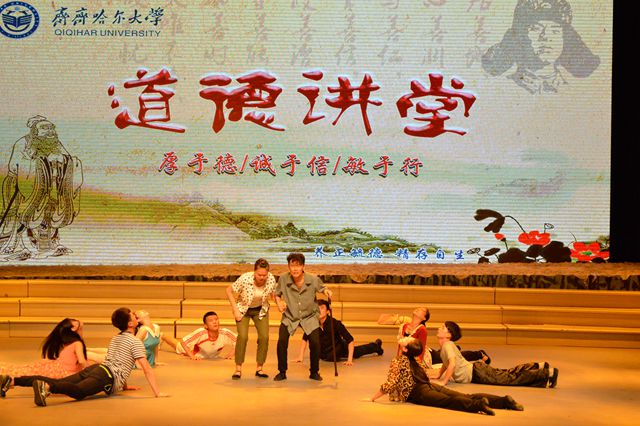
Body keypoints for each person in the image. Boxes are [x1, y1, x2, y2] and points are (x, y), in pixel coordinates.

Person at [0, 307, 168, 406]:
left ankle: (12, 381)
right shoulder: (136, 342)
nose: (136, 316)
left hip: (98, 369)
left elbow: (118, 362)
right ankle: (47, 388)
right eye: (133, 315)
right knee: (79, 392)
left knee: (61, 382)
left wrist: (124, 385)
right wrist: (158, 393)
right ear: (130, 324)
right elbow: (146, 369)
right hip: (105, 376)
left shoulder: (116, 338)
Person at [370, 337, 524, 415]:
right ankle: (503, 401)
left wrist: (373, 398)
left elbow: (390, 383)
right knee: (465, 395)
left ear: (404, 349)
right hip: (427, 385)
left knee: (447, 401)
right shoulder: (415, 359)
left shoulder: (398, 361)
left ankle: (478, 405)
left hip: (418, 391)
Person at [0, 115, 83, 260]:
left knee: (51, 212)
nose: (50, 131)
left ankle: (50, 244)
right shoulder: (23, 143)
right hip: (24, 185)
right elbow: (16, 166)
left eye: (51, 128)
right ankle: (18, 245)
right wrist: (38, 163)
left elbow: (67, 159)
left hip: (51, 186)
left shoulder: (56, 144)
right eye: (44, 128)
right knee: (22, 213)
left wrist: (64, 162)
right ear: (35, 131)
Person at [481, 0, 600, 94]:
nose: (546, 37)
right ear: (521, 37)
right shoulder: (503, 88)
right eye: (536, 29)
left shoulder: (576, 91)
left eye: (555, 31)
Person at [430, 321, 558, 388]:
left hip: (477, 372)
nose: (439, 328)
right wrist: (439, 375)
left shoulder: (447, 345)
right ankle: (539, 366)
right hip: (477, 370)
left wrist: (443, 382)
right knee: (508, 374)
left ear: (449, 334)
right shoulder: (446, 346)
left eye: (443, 327)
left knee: (510, 379)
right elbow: (447, 363)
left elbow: (452, 364)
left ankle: (548, 373)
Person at [274, 252, 332, 381]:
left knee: (315, 343)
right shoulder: (283, 279)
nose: (295, 269)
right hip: (290, 316)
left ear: (303, 267)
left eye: (298, 265)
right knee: (282, 341)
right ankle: (282, 372)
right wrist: (279, 303)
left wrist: (327, 291)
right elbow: (277, 294)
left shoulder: (312, 279)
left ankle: (314, 372)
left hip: (309, 316)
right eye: (292, 266)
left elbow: (323, 288)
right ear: (288, 267)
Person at [0, 318, 90, 392]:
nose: (77, 321)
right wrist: (90, 371)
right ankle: (9, 380)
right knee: (31, 374)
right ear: (73, 328)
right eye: (74, 321)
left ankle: (9, 379)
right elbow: (82, 361)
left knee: (27, 370)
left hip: (55, 367)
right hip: (63, 372)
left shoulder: (68, 343)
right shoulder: (77, 343)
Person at [378, 310, 491, 366]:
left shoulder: (420, 328)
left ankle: (478, 354)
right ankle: (455, 348)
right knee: (442, 353)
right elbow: (381, 320)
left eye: (421, 310)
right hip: (418, 352)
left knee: (451, 357)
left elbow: (420, 349)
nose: (417, 310)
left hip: (426, 355)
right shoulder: (406, 322)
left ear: (423, 318)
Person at [226, 258, 277, 379]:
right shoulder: (245, 279)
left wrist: (279, 303)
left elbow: (273, 293)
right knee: (243, 336)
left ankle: (259, 368)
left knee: (264, 337)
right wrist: (235, 310)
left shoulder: (271, 279)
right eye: (259, 275)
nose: (262, 277)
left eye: (264, 275)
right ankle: (238, 368)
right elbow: (229, 290)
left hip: (260, 309)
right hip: (243, 309)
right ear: (254, 272)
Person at [295, 299, 383, 366]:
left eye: (322, 308)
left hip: (339, 349)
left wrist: (349, 360)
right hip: (325, 354)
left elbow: (350, 340)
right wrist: (301, 356)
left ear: (328, 311)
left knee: (358, 352)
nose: (319, 311)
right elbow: (305, 338)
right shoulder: (312, 323)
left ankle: (376, 346)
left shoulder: (335, 323)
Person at [162, 311, 236, 360]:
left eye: (216, 319)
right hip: (193, 351)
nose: (215, 322)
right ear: (205, 326)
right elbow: (183, 342)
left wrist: (231, 354)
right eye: (211, 320)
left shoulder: (225, 333)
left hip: (211, 356)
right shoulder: (201, 332)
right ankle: (163, 336)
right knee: (176, 345)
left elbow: (239, 341)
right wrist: (192, 356)